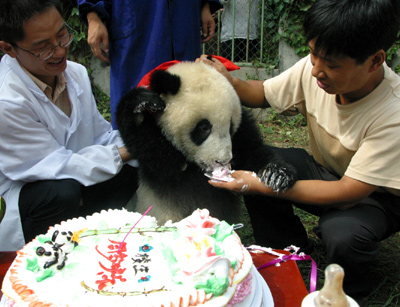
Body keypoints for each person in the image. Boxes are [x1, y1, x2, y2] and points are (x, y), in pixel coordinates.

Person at [198, 0, 400, 304]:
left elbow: (350, 191)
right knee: (263, 165)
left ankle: (345, 291)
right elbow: (262, 94)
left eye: (331, 64)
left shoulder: (393, 112)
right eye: (313, 54)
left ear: (375, 61)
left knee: (343, 234)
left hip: (376, 196)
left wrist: (260, 185)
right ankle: (284, 254)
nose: (317, 70)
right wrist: (230, 82)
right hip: (328, 171)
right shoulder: (315, 67)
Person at [0, 0, 139, 251]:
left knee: (134, 166)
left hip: (73, 181)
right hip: (30, 200)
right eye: (43, 47)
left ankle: (93, 241)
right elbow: (55, 165)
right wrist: (130, 149)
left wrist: (142, 139)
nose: (60, 51)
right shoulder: (7, 101)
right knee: (61, 192)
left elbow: (100, 136)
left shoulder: (75, 74)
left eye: (62, 35)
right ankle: (47, 258)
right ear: (9, 48)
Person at [77, 0, 221, 128]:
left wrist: (205, 5)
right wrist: (93, 15)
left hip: (184, 15)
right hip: (137, 21)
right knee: (136, 117)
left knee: (188, 111)